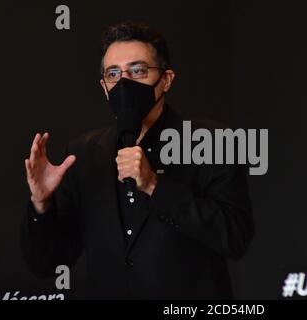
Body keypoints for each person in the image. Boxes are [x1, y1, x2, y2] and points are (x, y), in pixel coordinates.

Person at [21, 21, 254, 299]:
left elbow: (235, 238)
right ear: (104, 86)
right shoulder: (82, 153)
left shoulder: (213, 142)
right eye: (114, 73)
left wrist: (155, 186)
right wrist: (41, 203)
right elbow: (47, 262)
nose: (124, 83)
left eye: (138, 71)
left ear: (166, 80)